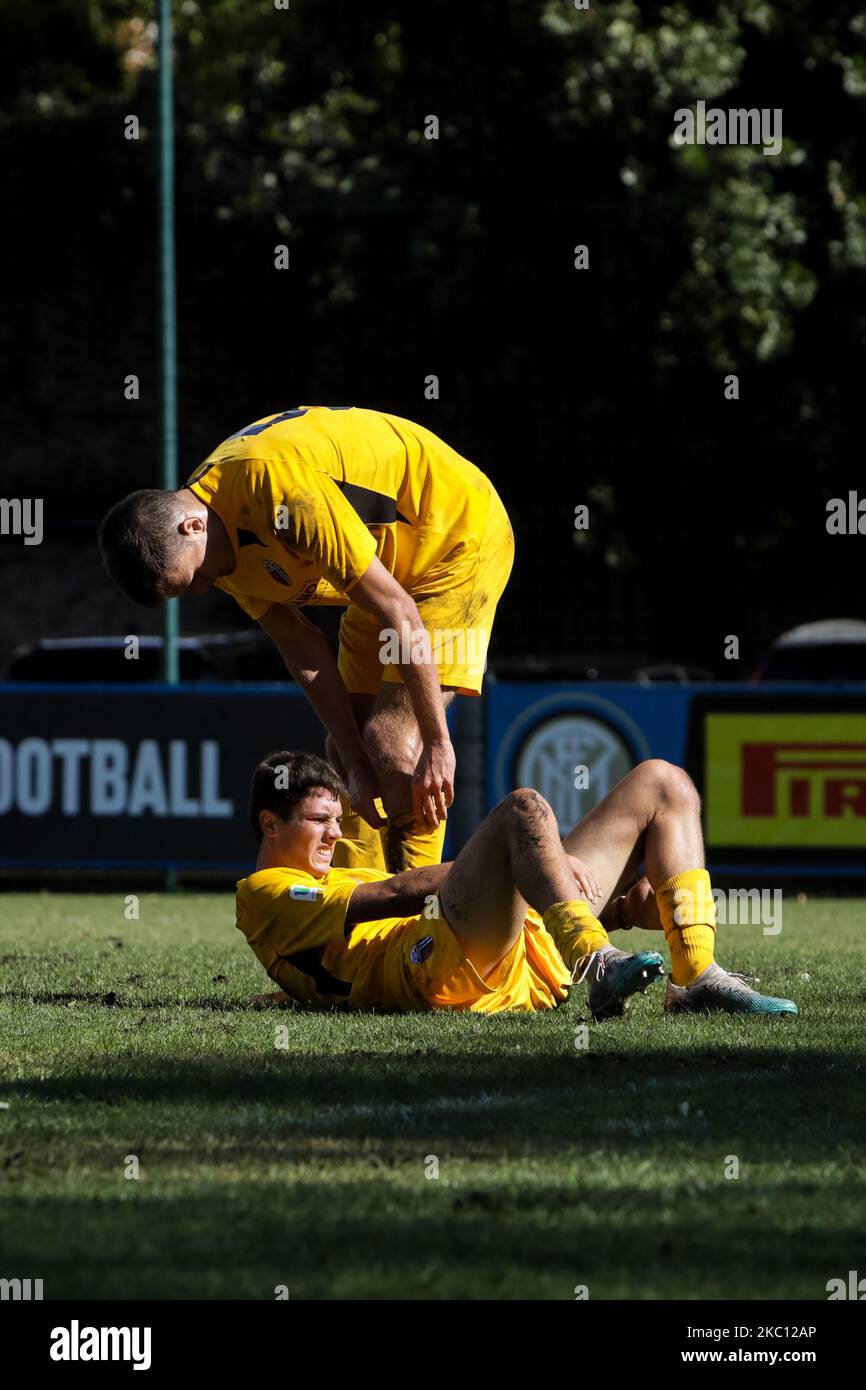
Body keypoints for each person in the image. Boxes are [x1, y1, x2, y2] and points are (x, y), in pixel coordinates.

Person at [98, 405, 514, 874]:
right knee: (349, 752)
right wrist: (356, 762)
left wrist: (438, 742)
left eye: (190, 578)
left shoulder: (277, 491)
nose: (200, 589)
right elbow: (303, 648)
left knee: (392, 742)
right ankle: (364, 917)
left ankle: (424, 924)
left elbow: (399, 610)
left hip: (456, 538)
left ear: (191, 526)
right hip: (388, 572)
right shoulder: (216, 539)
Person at [236, 750, 799, 1018]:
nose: (334, 834)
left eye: (337, 821)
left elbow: (321, 965)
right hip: (438, 963)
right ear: (270, 823)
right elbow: (395, 894)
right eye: (319, 821)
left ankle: (696, 977)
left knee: (665, 782)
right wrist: (533, 858)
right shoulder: (261, 891)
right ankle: (596, 961)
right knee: (523, 811)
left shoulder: (317, 885)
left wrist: (621, 910)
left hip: (512, 952)